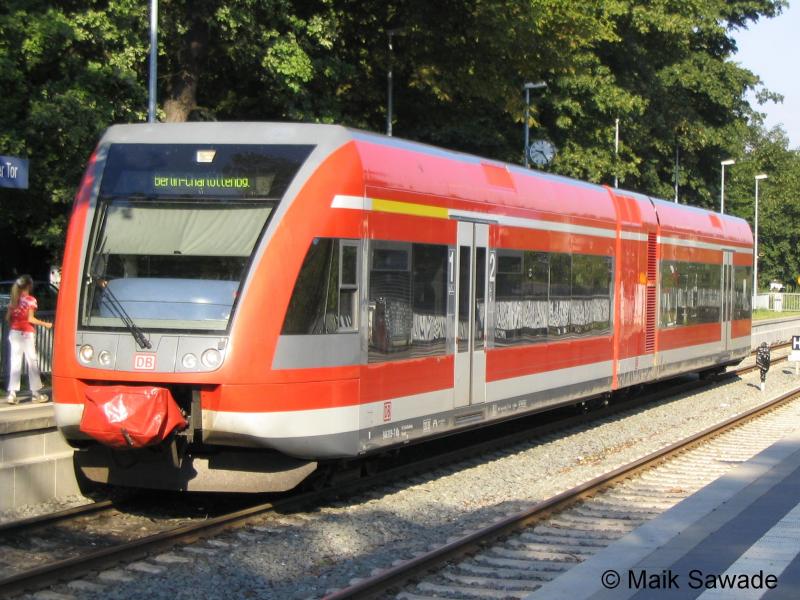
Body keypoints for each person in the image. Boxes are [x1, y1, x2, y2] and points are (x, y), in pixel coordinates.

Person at [4, 275, 52, 404]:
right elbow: (31, 319)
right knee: (32, 362)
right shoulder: (31, 300)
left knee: (15, 363)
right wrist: (45, 324)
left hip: (14, 333)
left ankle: (12, 394)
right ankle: (36, 393)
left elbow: (7, 318)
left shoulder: (14, 300)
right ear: (29, 286)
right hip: (27, 334)